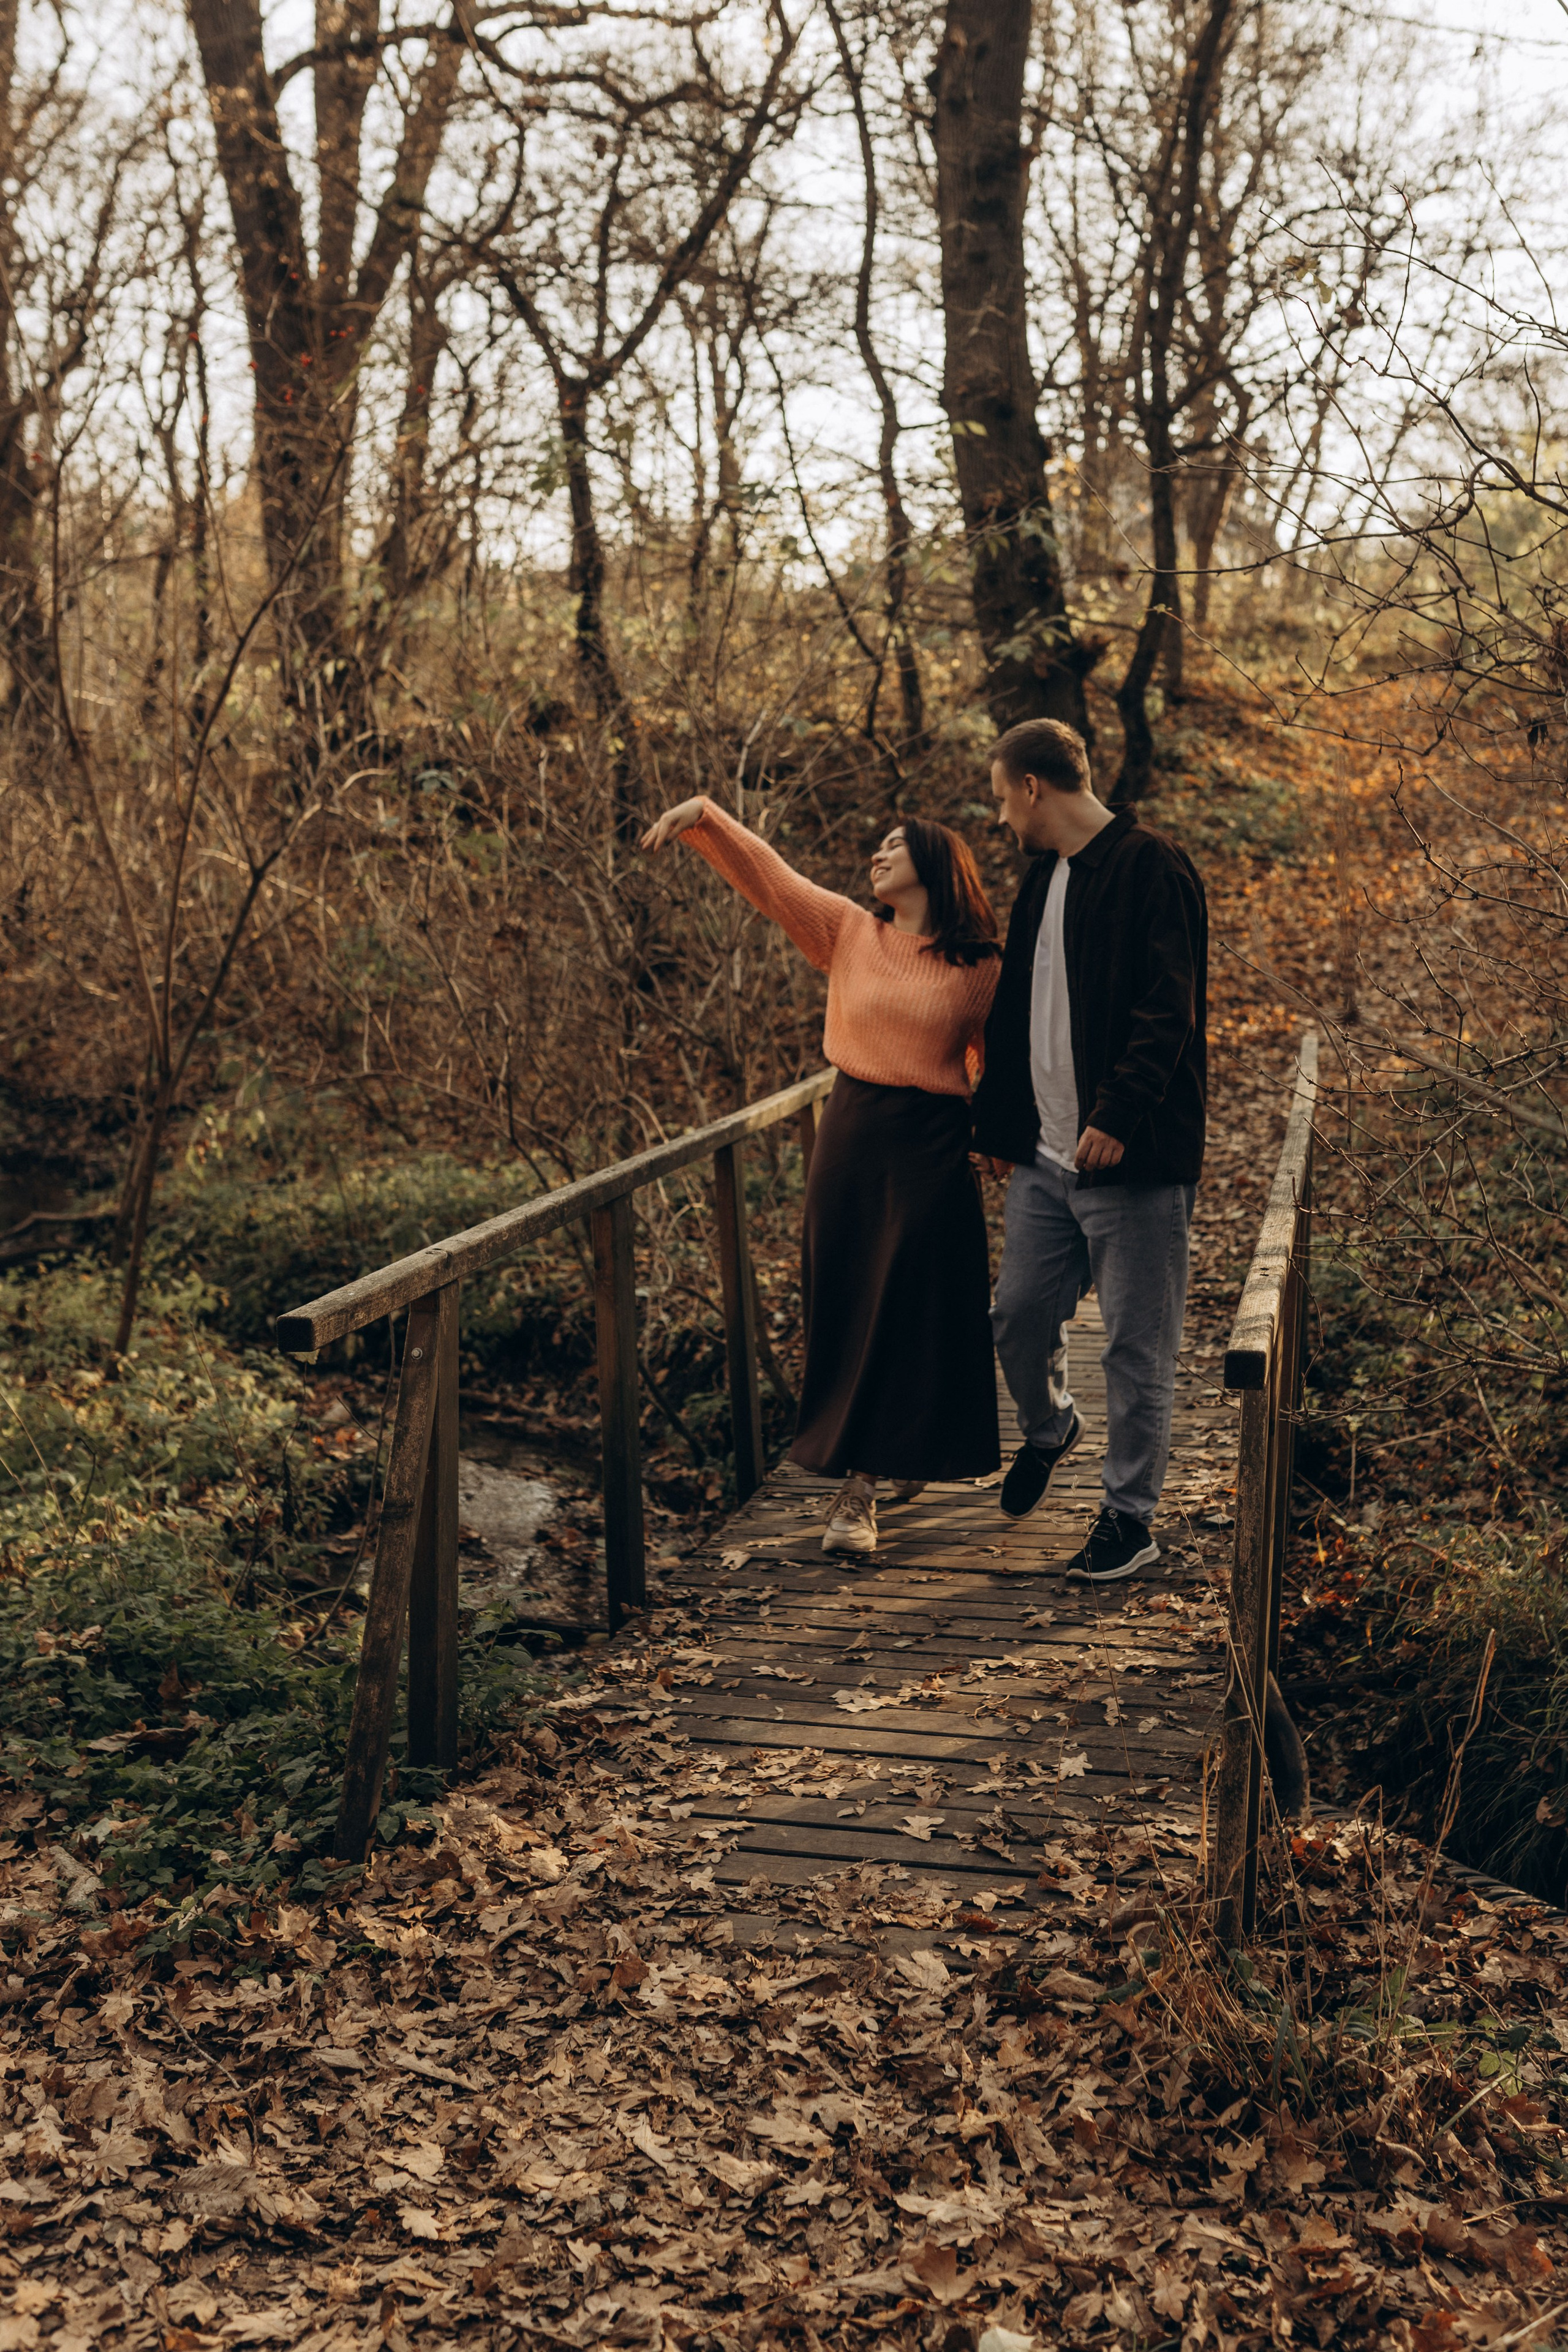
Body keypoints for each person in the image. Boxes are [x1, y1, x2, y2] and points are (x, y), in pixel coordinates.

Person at [640, 795, 1003, 1555]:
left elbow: (995, 1067)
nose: (877, 855)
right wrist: (705, 817)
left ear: (933, 863)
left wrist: (994, 1140)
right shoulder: (848, 931)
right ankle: (875, 1461)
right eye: (877, 843)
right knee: (849, 1296)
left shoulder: (980, 967)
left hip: (931, 1149)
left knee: (912, 1307)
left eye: (894, 844)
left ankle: (860, 1492)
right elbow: (773, 882)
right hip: (852, 1135)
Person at [970, 718, 1208, 1583]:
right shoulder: (1043, 880)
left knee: (1135, 1346)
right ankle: (1050, 1426)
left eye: (1003, 798)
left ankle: (1128, 1518)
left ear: (1034, 786)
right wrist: (1000, 1131)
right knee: (1019, 1313)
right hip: (1043, 1157)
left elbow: (1167, 1009)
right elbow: (1016, 1013)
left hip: (1130, 1159)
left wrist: (1117, 1114)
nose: (1002, 819)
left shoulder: (1154, 867)